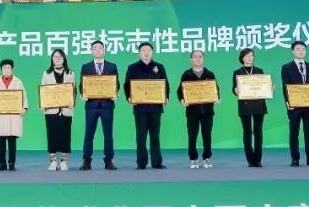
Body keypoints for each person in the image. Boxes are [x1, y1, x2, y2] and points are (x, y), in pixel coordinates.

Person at [124, 42, 170, 170]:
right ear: (139, 53)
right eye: (143, 50)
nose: (146, 53)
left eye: (148, 50)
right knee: (141, 136)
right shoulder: (132, 67)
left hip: (156, 108)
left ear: (152, 52)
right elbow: (127, 85)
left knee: (155, 136)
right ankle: (141, 163)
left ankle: (157, 162)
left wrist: (165, 97)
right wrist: (129, 97)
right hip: (140, 108)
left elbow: (165, 84)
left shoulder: (159, 67)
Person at [280, 40, 309, 167]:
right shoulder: (286, 67)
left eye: (303, 49)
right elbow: (285, 86)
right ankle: (295, 158)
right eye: (298, 49)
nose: (301, 51)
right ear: (293, 51)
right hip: (294, 106)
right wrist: (288, 102)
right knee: (294, 132)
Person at [79, 40, 118, 171]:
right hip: (91, 105)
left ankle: (109, 160)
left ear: (104, 50)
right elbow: (82, 84)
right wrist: (83, 93)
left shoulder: (112, 66)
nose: (97, 50)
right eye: (94, 48)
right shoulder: (86, 66)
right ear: (91, 51)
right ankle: (86, 160)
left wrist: (115, 92)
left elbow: (116, 83)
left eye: (100, 48)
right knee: (89, 134)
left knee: (108, 134)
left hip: (107, 105)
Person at [178, 49, 219, 169]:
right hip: (192, 111)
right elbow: (180, 91)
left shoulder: (209, 74)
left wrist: (217, 98)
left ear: (203, 59)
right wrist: (182, 100)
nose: (198, 58)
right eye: (195, 56)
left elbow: (215, 89)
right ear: (191, 59)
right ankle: (193, 158)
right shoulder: (186, 74)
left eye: (200, 56)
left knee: (207, 135)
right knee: (192, 135)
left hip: (207, 111)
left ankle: (207, 158)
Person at [0, 59, 28, 171]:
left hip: (14, 116)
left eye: (8, 68)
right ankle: (2, 164)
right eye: (4, 68)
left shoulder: (18, 82)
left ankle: (12, 163)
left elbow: (24, 96)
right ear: (1, 70)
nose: (6, 70)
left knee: (12, 141)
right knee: (1, 141)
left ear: (12, 69)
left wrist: (24, 108)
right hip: (0, 116)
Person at [232, 48, 269, 168]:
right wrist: (236, 90)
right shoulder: (237, 72)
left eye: (252, 55)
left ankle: (257, 159)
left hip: (259, 105)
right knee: (247, 132)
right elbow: (234, 88)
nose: (250, 57)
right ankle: (250, 159)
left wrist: (269, 89)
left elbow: (264, 87)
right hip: (245, 105)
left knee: (258, 132)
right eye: (247, 55)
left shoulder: (259, 71)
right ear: (242, 58)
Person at [40, 48, 75, 171]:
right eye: (55, 56)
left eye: (60, 56)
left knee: (65, 135)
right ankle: (53, 161)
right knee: (52, 135)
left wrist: (72, 101)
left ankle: (64, 161)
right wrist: (43, 103)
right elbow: (43, 90)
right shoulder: (46, 73)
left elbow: (73, 90)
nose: (58, 58)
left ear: (64, 58)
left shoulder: (70, 73)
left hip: (66, 109)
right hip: (51, 109)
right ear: (52, 59)